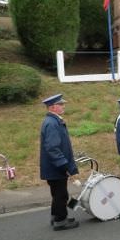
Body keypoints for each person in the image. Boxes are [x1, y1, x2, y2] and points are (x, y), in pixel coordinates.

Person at [40, 94, 79, 231]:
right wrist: (64, 165)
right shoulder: (51, 123)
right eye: (61, 104)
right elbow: (52, 148)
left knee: (57, 193)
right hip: (56, 167)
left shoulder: (53, 121)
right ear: (52, 107)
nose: (63, 106)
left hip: (54, 167)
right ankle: (60, 221)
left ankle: (56, 216)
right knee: (61, 194)